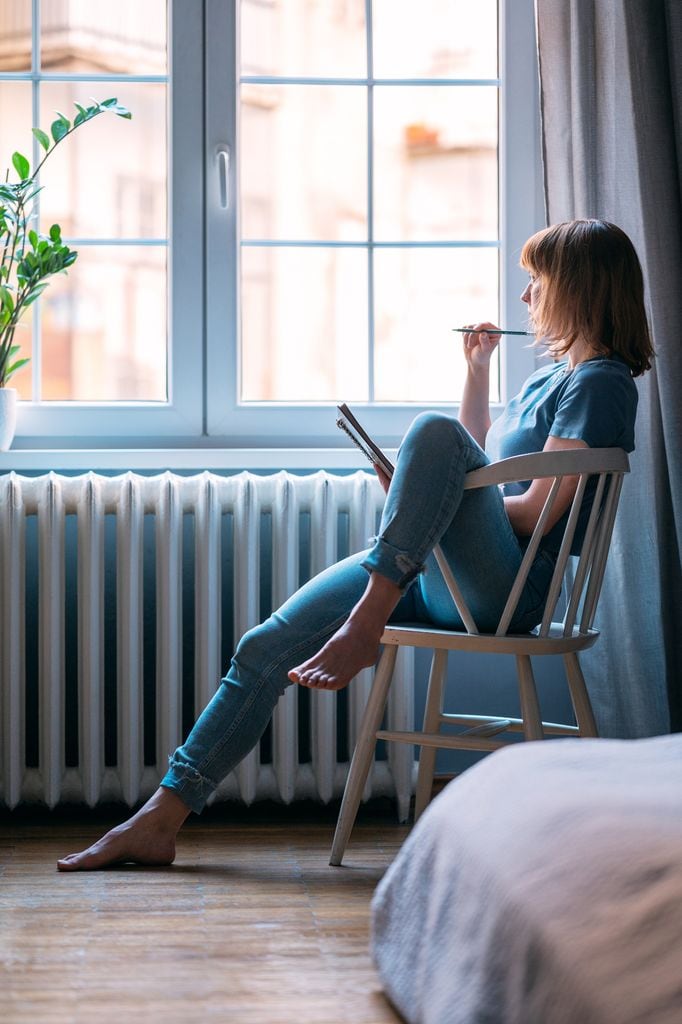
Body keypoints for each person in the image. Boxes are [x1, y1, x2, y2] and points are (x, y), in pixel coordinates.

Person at [57, 219, 653, 871]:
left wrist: (442, 500)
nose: (525, 298)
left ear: (577, 286)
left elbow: (537, 508)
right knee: (265, 647)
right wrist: (476, 377)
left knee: (430, 433)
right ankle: (157, 820)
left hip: (509, 590)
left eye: (537, 281)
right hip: (448, 575)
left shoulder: (601, 381)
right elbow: (480, 456)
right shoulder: (548, 379)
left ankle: (365, 621)